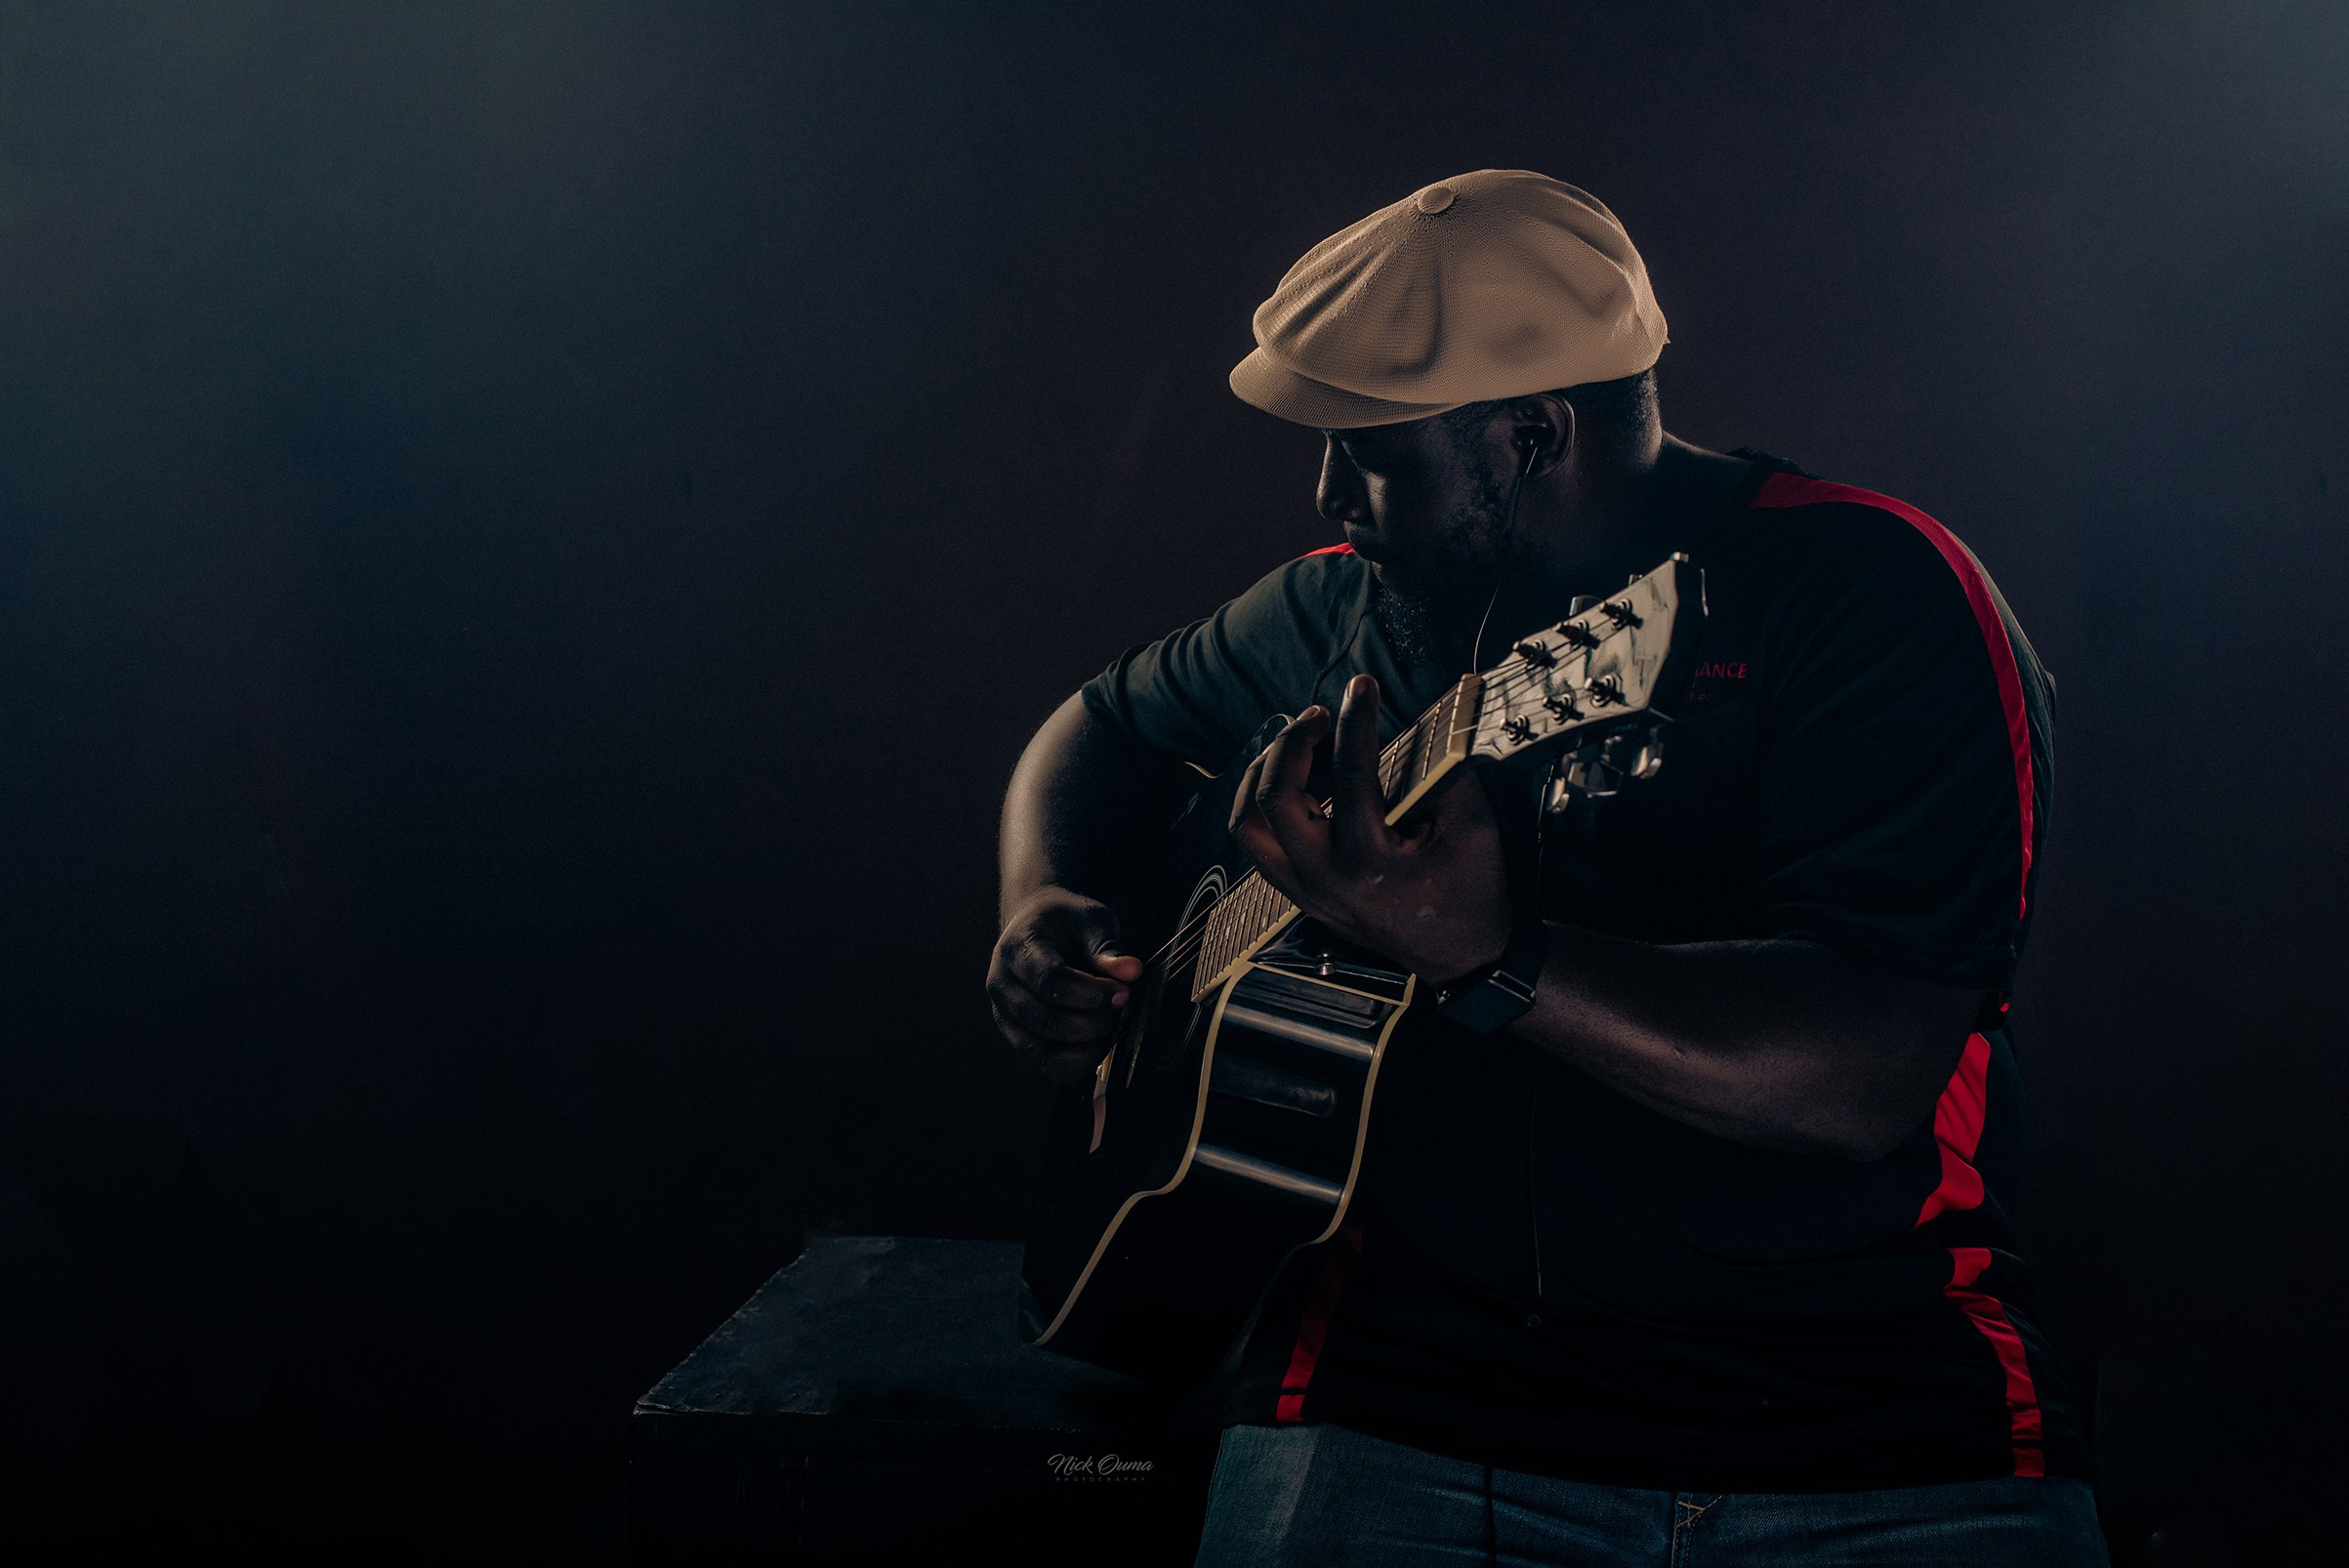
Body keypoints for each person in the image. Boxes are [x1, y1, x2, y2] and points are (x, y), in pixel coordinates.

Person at [986, 169, 2105, 1565]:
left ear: (1529, 434)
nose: (1329, 491)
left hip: (1867, 1440)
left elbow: (1859, 1075)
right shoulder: (1345, 600)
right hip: (1395, 1413)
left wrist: (1490, 955)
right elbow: (1091, 734)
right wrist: (1044, 905)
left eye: (1370, 454)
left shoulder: (1868, 592)